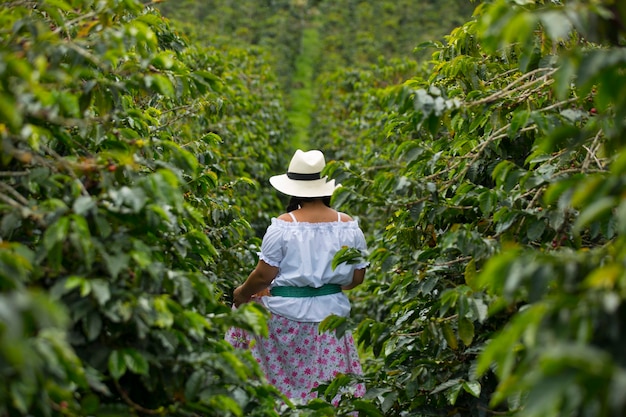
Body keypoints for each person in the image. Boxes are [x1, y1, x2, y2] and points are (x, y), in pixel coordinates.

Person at [226, 149, 368, 404]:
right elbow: (356, 280)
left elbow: (263, 276)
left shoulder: (283, 226)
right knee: (328, 391)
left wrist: (241, 294)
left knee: (244, 313)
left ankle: (255, 397)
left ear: (294, 188)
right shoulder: (348, 226)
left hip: (285, 318)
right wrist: (324, 285)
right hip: (331, 318)